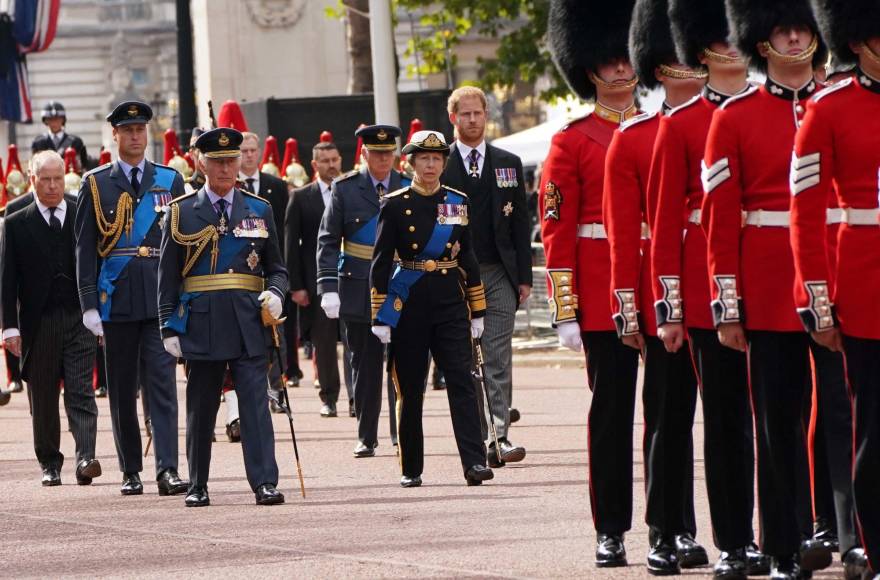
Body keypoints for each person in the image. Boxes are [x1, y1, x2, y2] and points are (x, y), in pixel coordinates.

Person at [702, 2, 833, 576]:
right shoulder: (734, 117)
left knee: (843, 419)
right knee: (776, 423)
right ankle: (782, 544)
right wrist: (728, 305)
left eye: (803, 27)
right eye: (783, 29)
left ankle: (843, 532)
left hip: (837, 280)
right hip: (769, 285)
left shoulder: (837, 105)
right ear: (761, 42)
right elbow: (719, 218)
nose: (796, 37)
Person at [650, 0, 769, 576]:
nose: (731, 46)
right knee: (723, 422)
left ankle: (784, 533)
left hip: (771, 284)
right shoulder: (680, 125)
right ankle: (734, 540)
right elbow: (664, 224)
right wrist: (670, 309)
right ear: (701, 51)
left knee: (771, 421)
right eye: (720, 39)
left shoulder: (779, 110)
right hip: (706, 292)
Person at [603, 0, 708, 573]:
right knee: (669, 418)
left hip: (725, 289)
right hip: (664, 296)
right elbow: (624, 237)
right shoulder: (634, 137)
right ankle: (668, 529)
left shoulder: (725, 119)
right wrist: (629, 310)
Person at [541, 0, 640, 568]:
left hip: (660, 287)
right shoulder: (572, 140)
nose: (621, 69)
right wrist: (565, 307)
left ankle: (672, 527)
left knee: (671, 416)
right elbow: (557, 229)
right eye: (609, 61)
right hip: (601, 294)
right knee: (611, 417)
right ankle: (611, 529)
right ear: (590, 70)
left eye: (626, 57)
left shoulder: (661, 128)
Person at [790, 1, 879, 576]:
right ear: (855, 40)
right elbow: (805, 213)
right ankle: (871, 543)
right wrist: (817, 301)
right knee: (871, 425)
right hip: (866, 282)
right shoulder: (828, 109)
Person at [158, 127, 287, 508]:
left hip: (248, 320)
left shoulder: (259, 209)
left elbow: (277, 268)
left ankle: (264, 481)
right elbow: (167, 276)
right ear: (202, 163)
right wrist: (167, 325)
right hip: (202, 322)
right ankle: (198, 483)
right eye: (217, 162)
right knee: (201, 408)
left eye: (231, 161)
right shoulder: (181, 212)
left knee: (255, 407)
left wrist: (276, 293)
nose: (226, 169)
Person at [74, 100, 188, 497]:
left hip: (158, 299)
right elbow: (84, 248)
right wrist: (89, 303)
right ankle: (131, 470)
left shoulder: (170, 180)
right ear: (116, 135)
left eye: (140, 129)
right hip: (117, 300)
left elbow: (182, 244)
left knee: (163, 387)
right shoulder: (95, 183)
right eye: (128, 130)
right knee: (122, 391)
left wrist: (182, 298)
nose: (136, 136)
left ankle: (168, 469)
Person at [370, 129, 492, 487]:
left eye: (437, 158)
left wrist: (477, 308)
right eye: (424, 158)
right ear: (411, 162)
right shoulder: (395, 204)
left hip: (450, 303)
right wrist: (379, 313)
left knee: (462, 382)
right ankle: (411, 467)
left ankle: (474, 462)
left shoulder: (457, 201)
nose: (430, 165)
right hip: (409, 304)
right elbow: (380, 260)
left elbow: (468, 256)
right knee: (410, 389)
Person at [441, 85, 532, 468]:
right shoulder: (437, 163)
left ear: (486, 115)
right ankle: (476, 435)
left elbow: (521, 225)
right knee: (463, 359)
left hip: (499, 274)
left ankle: (499, 435)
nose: (472, 120)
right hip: (453, 276)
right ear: (453, 118)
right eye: (465, 114)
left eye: (477, 113)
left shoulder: (508, 162)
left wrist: (524, 278)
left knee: (496, 355)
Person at [1, 150, 100, 486]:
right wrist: (9, 328)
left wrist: (98, 312)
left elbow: (95, 264)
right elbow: (7, 280)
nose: (54, 186)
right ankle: (50, 462)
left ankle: (86, 457)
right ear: (33, 180)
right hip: (39, 321)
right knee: (43, 396)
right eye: (46, 179)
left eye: (58, 178)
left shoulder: (81, 212)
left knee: (81, 390)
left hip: (79, 317)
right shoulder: (16, 222)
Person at [317, 124, 408, 457]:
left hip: (401, 286)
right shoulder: (345, 189)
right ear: (365, 154)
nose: (383, 159)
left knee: (404, 363)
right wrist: (328, 287)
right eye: (377, 153)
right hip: (359, 288)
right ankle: (367, 435)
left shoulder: (408, 186)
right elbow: (328, 240)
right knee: (365, 366)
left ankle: (402, 433)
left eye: (388, 153)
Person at [286, 141, 345, 417]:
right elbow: (291, 245)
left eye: (334, 159)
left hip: (352, 278)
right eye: (325, 161)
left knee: (355, 342)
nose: (331, 165)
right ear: (314, 165)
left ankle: (357, 398)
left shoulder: (352, 191)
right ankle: (329, 397)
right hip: (317, 282)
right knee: (324, 343)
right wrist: (296, 286)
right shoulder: (300, 198)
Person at [31, 101, 91, 171]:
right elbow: (34, 166)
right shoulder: (38, 142)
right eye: (50, 119)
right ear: (45, 121)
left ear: (63, 120)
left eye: (57, 119)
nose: (54, 123)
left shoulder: (76, 142)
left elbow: (83, 166)